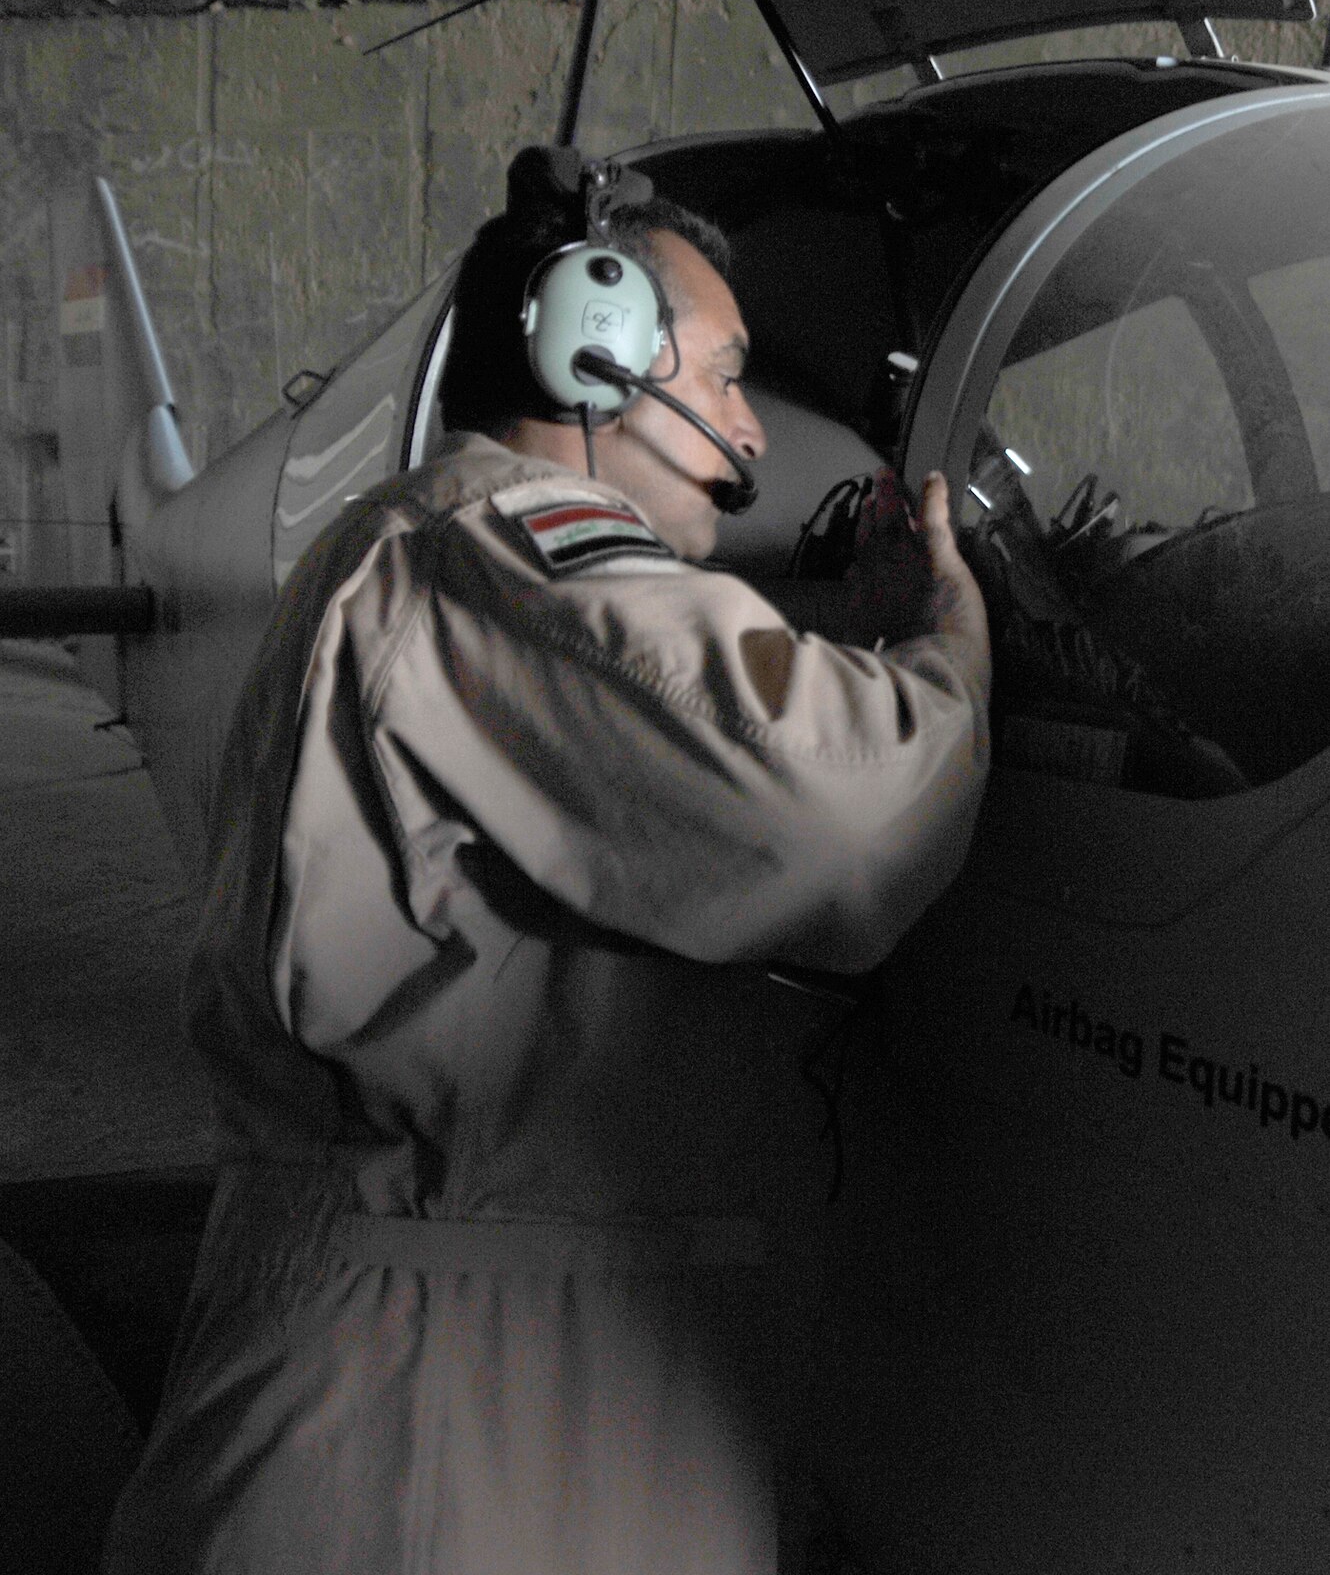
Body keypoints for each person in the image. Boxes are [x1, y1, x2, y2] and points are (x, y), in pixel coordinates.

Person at [103, 148, 990, 1575]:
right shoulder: (495, 550)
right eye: (716, 375)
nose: (748, 434)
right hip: (438, 1410)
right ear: (594, 352)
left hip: (490, 1360)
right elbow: (847, 813)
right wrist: (944, 642)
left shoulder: (452, 557)